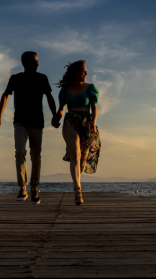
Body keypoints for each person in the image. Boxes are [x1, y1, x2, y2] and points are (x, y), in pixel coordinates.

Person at [0, 51, 56, 204]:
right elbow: (6, 95)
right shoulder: (16, 78)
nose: (37, 64)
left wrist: (55, 115)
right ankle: (23, 187)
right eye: (34, 61)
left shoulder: (42, 78)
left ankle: (34, 188)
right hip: (20, 122)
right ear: (26, 63)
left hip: (37, 123)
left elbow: (49, 96)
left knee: (36, 156)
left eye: (37, 61)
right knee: (20, 152)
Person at [51, 60, 100, 205]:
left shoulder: (91, 88)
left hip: (86, 122)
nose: (85, 73)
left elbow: (94, 107)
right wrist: (57, 117)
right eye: (82, 71)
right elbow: (61, 108)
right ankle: (77, 189)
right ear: (75, 73)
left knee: (83, 158)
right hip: (70, 120)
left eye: (86, 71)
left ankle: (77, 185)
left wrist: (94, 123)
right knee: (76, 154)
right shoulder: (65, 90)